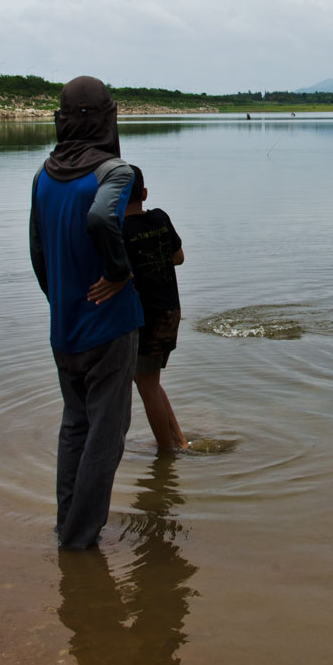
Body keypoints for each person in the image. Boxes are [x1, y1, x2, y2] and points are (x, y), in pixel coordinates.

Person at [29, 76, 143, 549]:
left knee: (75, 426)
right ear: (106, 117)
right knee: (107, 435)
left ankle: (65, 525)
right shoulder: (115, 172)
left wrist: (60, 302)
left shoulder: (42, 175)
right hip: (109, 324)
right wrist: (119, 270)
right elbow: (100, 217)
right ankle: (80, 538)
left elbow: (38, 253)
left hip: (66, 329)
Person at [122, 165, 188, 452]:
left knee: (146, 384)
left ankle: (166, 453)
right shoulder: (160, 218)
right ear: (145, 194)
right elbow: (179, 257)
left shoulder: (119, 230)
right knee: (148, 380)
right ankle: (179, 441)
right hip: (171, 311)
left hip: (146, 316)